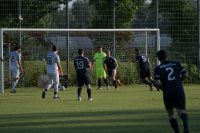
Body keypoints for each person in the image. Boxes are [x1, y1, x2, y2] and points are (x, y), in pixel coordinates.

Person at [154, 50, 189, 133]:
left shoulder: (158, 68)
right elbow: (185, 75)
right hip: (179, 90)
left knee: (171, 113)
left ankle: (177, 132)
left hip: (168, 92)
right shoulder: (176, 64)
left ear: (159, 59)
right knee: (181, 111)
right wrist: (178, 80)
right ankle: (185, 121)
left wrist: (164, 87)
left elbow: (157, 83)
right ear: (167, 56)